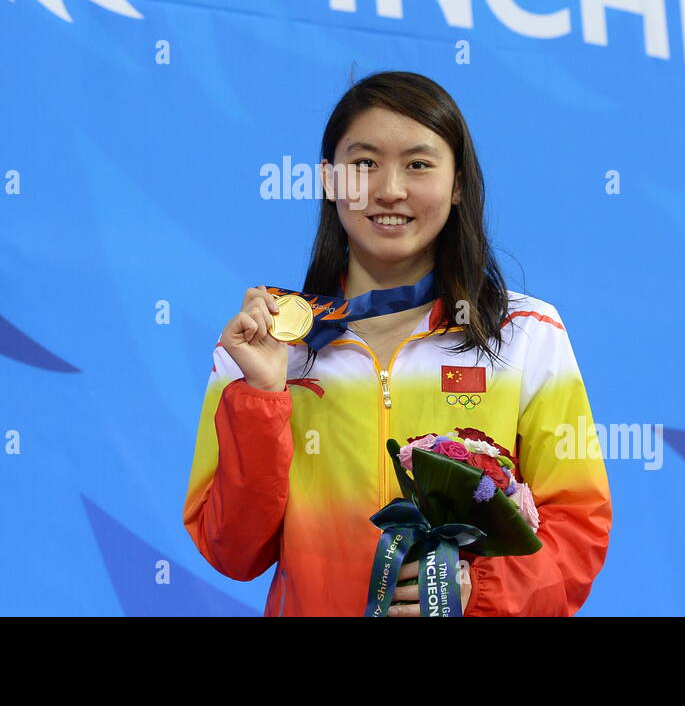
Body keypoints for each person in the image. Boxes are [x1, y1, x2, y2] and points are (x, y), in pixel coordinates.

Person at [182, 70, 611, 616]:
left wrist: (481, 595)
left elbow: (577, 527)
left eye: (419, 164)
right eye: (364, 163)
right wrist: (263, 396)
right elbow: (231, 550)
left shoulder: (525, 333)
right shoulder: (265, 346)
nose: (390, 189)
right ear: (329, 180)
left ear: (459, 184)